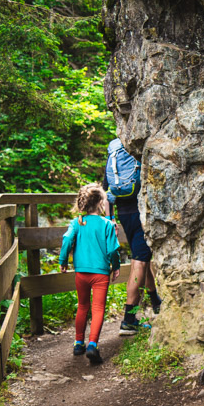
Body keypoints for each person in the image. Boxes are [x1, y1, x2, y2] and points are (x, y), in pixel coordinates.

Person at [104, 138, 162, 335]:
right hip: (141, 214)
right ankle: (129, 319)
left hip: (124, 214)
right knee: (139, 262)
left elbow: (107, 190)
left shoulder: (114, 156)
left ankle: (155, 301)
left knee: (142, 258)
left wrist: (111, 217)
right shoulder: (133, 151)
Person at [60, 184, 121, 364]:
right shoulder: (107, 225)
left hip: (81, 273)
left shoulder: (77, 223)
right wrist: (115, 266)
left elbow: (67, 240)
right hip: (100, 273)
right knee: (98, 308)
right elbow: (113, 250)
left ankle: (78, 343)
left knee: (82, 306)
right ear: (101, 202)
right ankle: (93, 344)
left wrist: (63, 261)